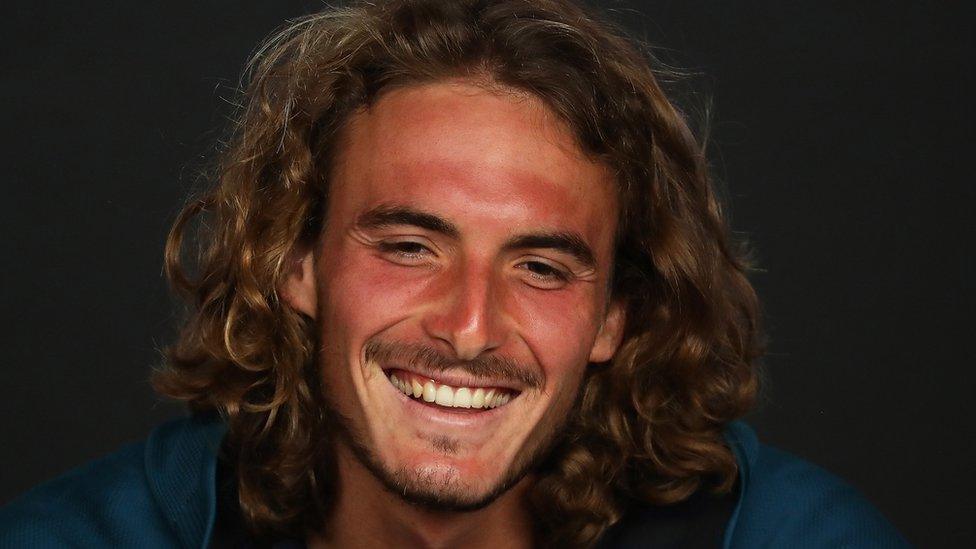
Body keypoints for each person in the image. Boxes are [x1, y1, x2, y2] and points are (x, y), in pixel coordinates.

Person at [0, 0, 909, 547]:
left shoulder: (790, 536)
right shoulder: (84, 536)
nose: (469, 328)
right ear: (295, 261)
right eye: (408, 247)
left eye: (542, 266)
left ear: (613, 320)